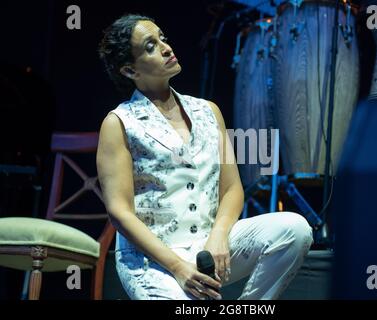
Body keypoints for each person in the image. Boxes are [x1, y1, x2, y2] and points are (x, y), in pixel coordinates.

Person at [96, 14, 313, 300]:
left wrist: (219, 236)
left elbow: (232, 188)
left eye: (163, 38)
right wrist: (177, 266)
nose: (165, 48)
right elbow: (120, 212)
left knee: (294, 230)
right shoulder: (119, 122)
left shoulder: (208, 111)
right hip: (153, 261)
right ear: (129, 71)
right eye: (150, 46)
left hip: (210, 246)